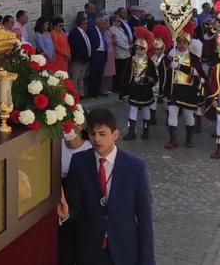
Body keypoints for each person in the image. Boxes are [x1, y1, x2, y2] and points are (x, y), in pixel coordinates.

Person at [57, 109, 155, 265]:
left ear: (115, 134)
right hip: (89, 252)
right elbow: (75, 208)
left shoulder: (135, 168)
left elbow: (144, 220)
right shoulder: (79, 162)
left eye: (102, 134)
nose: (96, 139)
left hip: (124, 252)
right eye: (92, 133)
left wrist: (147, 261)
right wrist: (66, 215)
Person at [163, 28, 205, 149]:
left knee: (188, 116)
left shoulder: (194, 58)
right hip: (173, 90)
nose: (181, 45)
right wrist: (167, 59)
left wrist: (180, 67)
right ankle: (173, 139)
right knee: (172, 114)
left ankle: (189, 139)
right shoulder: (172, 55)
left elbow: (199, 74)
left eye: (184, 43)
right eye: (179, 42)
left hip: (188, 91)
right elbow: (162, 69)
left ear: (188, 44)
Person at [58, 126, 93, 265]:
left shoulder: (90, 148)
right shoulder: (57, 144)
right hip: (61, 200)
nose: (66, 128)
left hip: (81, 202)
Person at [124, 28, 156, 141]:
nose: (138, 50)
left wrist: (143, 80)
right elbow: (126, 76)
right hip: (134, 90)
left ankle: (146, 131)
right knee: (132, 110)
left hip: (145, 90)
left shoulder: (150, 62)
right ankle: (131, 131)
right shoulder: (131, 60)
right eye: (137, 48)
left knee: (146, 110)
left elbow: (154, 79)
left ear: (146, 49)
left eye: (141, 48)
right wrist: (126, 89)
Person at [68, 12, 93, 97]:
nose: (86, 26)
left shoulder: (84, 33)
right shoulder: (74, 33)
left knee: (81, 78)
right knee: (75, 77)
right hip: (78, 60)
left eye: (87, 24)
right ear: (80, 24)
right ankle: (74, 94)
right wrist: (77, 58)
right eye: (85, 24)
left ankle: (80, 93)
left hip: (84, 60)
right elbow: (73, 47)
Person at [111, 11, 133, 99]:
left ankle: (124, 86)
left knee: (125, 72)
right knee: (120, 72)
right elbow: (119, 42)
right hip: (120, 54)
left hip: (126, 53)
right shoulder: (113, 29)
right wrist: (128, 47)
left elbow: (125, 37)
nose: (120, 22)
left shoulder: (120, 29)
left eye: (120, 21)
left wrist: (130, 43)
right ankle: (118, 87)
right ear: (113, 22)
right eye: (118, 21)